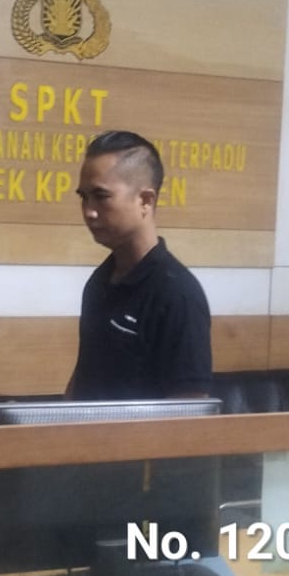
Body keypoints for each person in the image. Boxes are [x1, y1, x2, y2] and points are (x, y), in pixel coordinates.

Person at [68, 130, 213, 400]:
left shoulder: (177, 294)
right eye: (84, 197)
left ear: (145, 201)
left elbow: (189, 405)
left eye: (101, 196)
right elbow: (85, 376)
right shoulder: (99, 281)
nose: (89, 211)